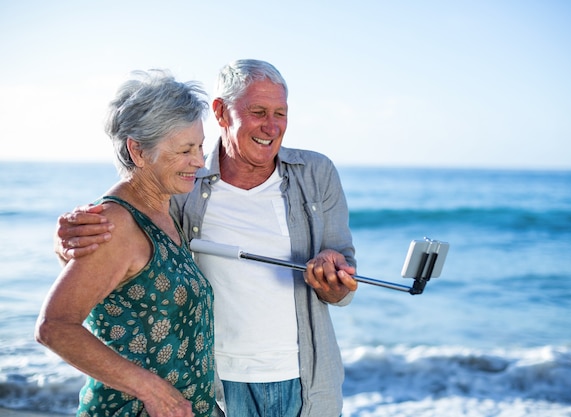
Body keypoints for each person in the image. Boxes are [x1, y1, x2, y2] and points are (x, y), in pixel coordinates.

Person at [55, 59, 358, 417]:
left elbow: (342, 280)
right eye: (258, 111)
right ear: (221, 113)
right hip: (213, 389)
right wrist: (69, 242)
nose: (272, 126)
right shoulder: (181, 185)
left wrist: (335, 280)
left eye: (281, 113)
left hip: (302, 382)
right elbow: (124, 223)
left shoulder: (316, 173)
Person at [37, 69, 221, 417]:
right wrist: (151, 390)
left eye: (200, 146)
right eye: (185, 150)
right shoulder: (115, 224)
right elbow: (55, 327)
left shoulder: (166, 212)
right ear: (137, 150)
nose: (199, 161)